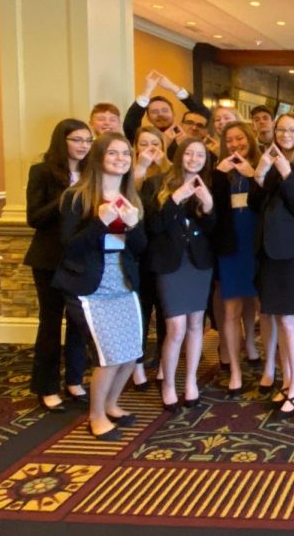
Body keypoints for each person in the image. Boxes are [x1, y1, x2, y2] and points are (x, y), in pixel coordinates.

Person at [52, 133, 147, 441]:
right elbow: (70, 248)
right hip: (90, 286)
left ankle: (111, 403)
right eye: (113, 154)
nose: (121, 159)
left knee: (132, 352)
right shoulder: (76, 197)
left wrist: (133, 225)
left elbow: (140, 248)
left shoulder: (131, 197)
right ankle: (95, 416)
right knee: (109, 355)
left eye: (125, 154)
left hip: (123, 281)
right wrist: (100, 222)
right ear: (99, 158)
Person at [251, 113, 294, 417]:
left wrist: (286, 174)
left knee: (291, 322)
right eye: (281, 129)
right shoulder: (269, 160)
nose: (286, 134)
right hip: (269, 251)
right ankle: (288, 378)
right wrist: (259, 174)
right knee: (280, 321)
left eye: (292, 129)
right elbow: (255, 206)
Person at [143, 137, 215, 412]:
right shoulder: (156, 184)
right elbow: (154, 226)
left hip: (199, 264)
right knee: (175, 328)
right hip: (171, 264)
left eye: (200, 155)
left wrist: (208, 206)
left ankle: (191, 382)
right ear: (179, 156)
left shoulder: (206, 186)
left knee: (197, 324)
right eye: (189, 153)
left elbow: (213, 230)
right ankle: (169, 383)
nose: (194, 159)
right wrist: (175, 198)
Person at [26, 119, 92, 413]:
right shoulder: (41, 172)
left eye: (87, 141)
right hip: (49, 259)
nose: (82, 146)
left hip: (81, 259)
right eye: (76, 139)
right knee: (51, 323)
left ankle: (75, 380)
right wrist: (65, 197)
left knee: (80, 323)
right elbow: (34, 217)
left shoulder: (93, 173)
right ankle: (47, 386)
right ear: (61, 141)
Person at [211, 121, 262, 397]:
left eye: (239, 138)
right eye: (229, 140)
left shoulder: (260, 166)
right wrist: (219, 176)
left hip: (255, 244)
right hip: (230, 247)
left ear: (249, 139)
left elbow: (266, 200)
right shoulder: (218, 172)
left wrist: (253, 174)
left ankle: (253, 346)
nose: (235, 145)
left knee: (254, 301)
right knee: (231, 309)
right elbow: (211, 209)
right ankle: (235, 370)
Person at [130, 126, 171, 390]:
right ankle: (137, 366)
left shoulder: (170, 173)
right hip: (138, 251)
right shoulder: (129, 172)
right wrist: (140, 169)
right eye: (143, 143)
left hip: (165, 250)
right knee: (141, 311)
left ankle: (166, 364)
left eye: (154, 143)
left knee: (167, 311)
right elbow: (129, 203)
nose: (149, 148)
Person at [123, 70, 210, 144]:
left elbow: (203, 114)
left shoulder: (186, 133)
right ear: (148, 118)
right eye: (154, 112)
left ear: (173, 113)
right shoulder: (145, 137)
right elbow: (129, 126)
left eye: (165, 110)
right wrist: (147, 90)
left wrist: (173, 87)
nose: (160, 114)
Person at [132, 126, 170, 191]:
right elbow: (132, 192)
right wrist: (141, 166)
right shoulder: (126, 168)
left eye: (155, 144)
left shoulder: (174, 167)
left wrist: (162, 165)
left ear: (162, 146)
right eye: (144, 144)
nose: (150, 148)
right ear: (136, 148)